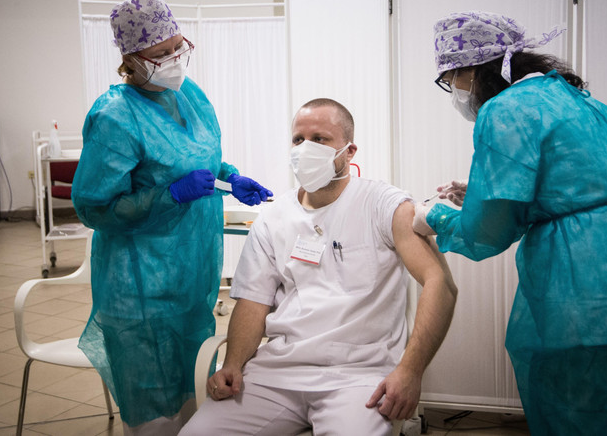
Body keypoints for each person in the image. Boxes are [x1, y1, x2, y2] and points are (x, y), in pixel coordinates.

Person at [413, 11, 607, 435]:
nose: (453, 91)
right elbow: (579, 184)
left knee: (581, 415)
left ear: (470, 69)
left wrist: (433, 216)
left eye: (450, 80)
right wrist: (482, 190)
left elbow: (490, 232)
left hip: (590, 300)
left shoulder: (505, 110)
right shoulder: (579, 99)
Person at [180, 98, 458, 436]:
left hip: (358, 377)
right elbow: (253, 301)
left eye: (320, 139)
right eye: (298, 139)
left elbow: (440, 284)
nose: (305, 148)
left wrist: (411, 371)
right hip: (277, 374)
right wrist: (235, 363)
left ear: (349, 151)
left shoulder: (381, 203)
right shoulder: (273, 218)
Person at [71, 0, 272, 436]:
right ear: (132, 59)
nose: (173, 60)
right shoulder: (115, 117)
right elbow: (94, 206)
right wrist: (169, 196)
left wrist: (230, 178)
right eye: (160, 54)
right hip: (139, 283)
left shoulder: (189, 95)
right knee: (153, 414)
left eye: (177, 47)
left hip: (191, 274)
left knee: (192, 393)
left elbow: (198, 160)